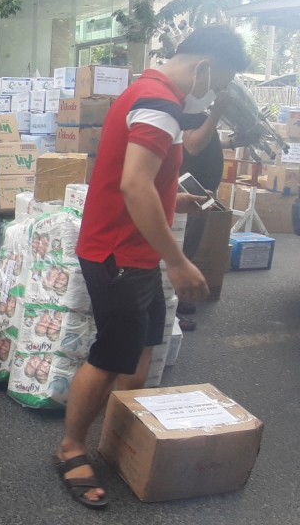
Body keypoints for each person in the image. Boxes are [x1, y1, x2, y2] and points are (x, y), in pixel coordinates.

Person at [55, 25, 249, 509]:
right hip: (120, 253)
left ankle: (123, 439)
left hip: (132, 250)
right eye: (219, 81)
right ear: (204, 67)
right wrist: (178, 260)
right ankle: (70, 448)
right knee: (110, 356)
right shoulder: (159, 102)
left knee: (141, 355)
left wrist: (174, 199)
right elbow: (134, 186)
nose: (217, 91)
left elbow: (147, 181)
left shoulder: (152, 94)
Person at [176, 91, 232, 329]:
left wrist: (234, 142)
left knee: (188, 247)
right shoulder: (187, 115)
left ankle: (177, 304)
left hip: (199, 191)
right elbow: (194, 144)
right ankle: (173, 312)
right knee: (182, 249)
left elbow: (206, 141)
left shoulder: (198, 116)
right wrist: (218, 111)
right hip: (190, 192)